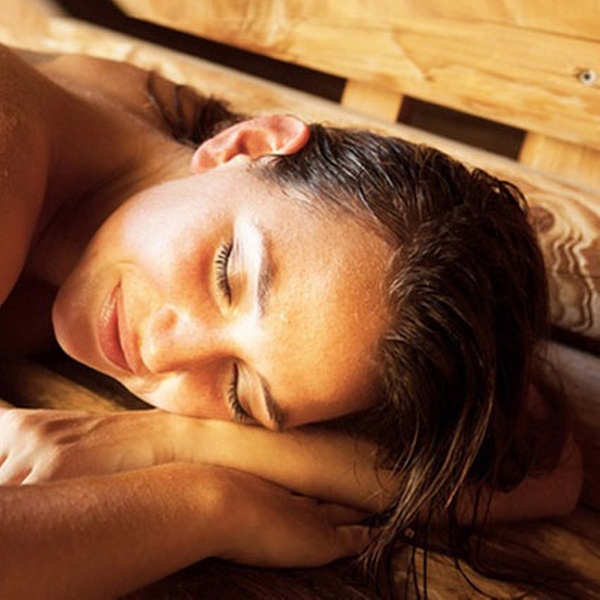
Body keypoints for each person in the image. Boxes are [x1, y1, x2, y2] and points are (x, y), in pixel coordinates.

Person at [0, 43, 582, 599]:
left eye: (240, 392)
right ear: (244, 145)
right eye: (227, 276)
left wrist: (179, 438)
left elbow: (547, 474)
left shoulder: (162, 158)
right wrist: (212, 505)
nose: (165, 352)